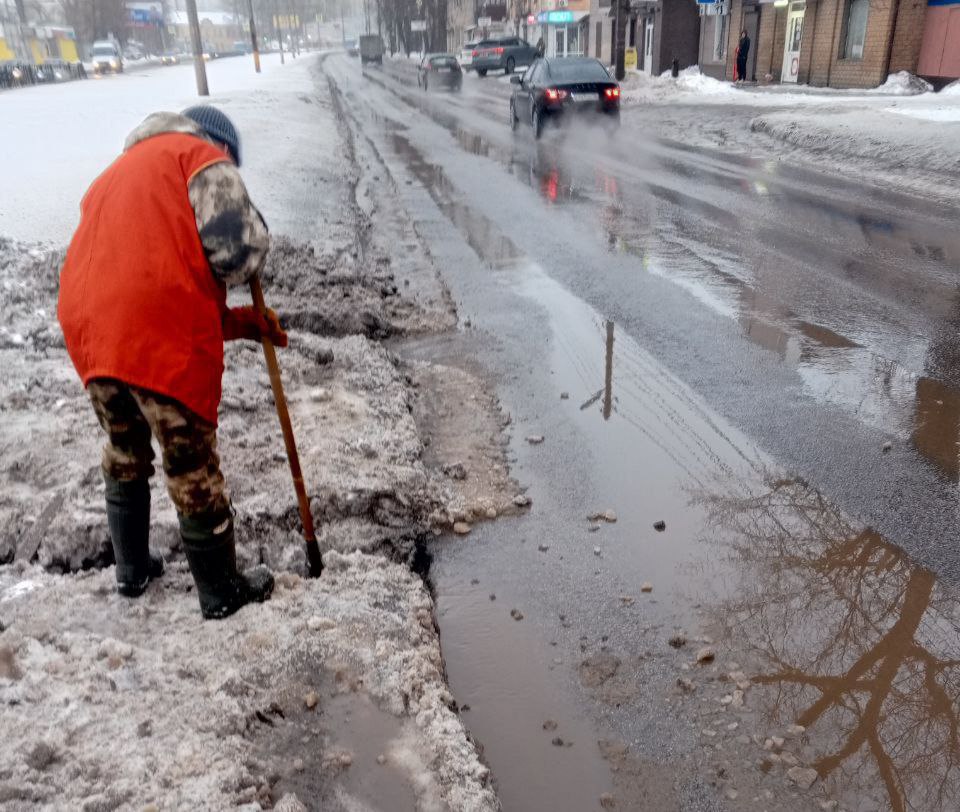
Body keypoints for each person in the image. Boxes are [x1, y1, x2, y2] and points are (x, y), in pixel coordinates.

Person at [58, 105, 286, 619]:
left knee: (125, 448)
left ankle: (131, 571)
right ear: (222, 146)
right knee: (190, 464)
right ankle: (221, 592)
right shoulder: (202, 157)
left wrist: (246, 323)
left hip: (93, 333)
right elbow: (238, 253)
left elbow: (150, 284)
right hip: (153, 332)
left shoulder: (116, 173)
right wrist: (254, 236)